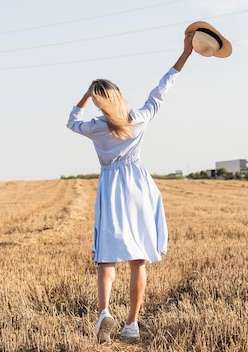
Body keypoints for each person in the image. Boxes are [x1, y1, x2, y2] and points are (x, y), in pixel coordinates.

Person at [66, 31, 195, 344]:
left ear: (98, 102)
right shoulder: (138, 118)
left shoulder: (96, 128)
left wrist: (85, 96)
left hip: (111, 188)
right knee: (138, 259)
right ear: (120, 96)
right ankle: (132, 325)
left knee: (107, 258)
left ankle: (104, 312)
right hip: (137, 187)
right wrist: (186, 53)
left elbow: (72, 122)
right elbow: (162, 88)